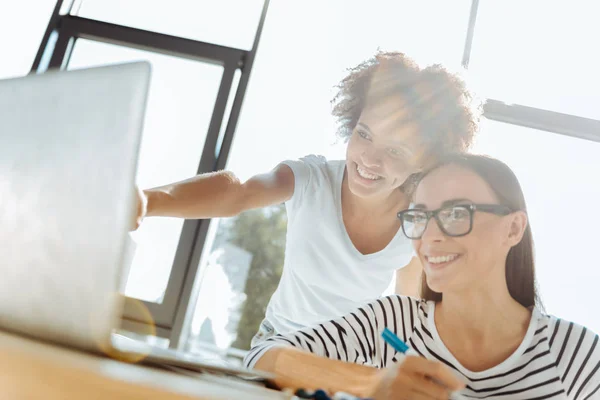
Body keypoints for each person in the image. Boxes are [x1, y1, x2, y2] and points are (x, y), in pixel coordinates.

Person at [133, 51, 481, 342]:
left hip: (347, 357)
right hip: (279, 344)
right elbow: (238, 193)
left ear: (426, 161)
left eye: (395, 150)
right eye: (364, 134)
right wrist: (149, 201)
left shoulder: (417, 222)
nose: (369, 160)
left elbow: (404, 314)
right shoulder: (311, 180)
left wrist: (402, 356)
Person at [244, 154, 600, 400]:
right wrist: (370, 383)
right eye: (418, 217)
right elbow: (261, 358)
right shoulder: (390, 324)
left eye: (457, 213)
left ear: (513, 228)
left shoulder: (577, 353)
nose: (429, 236)